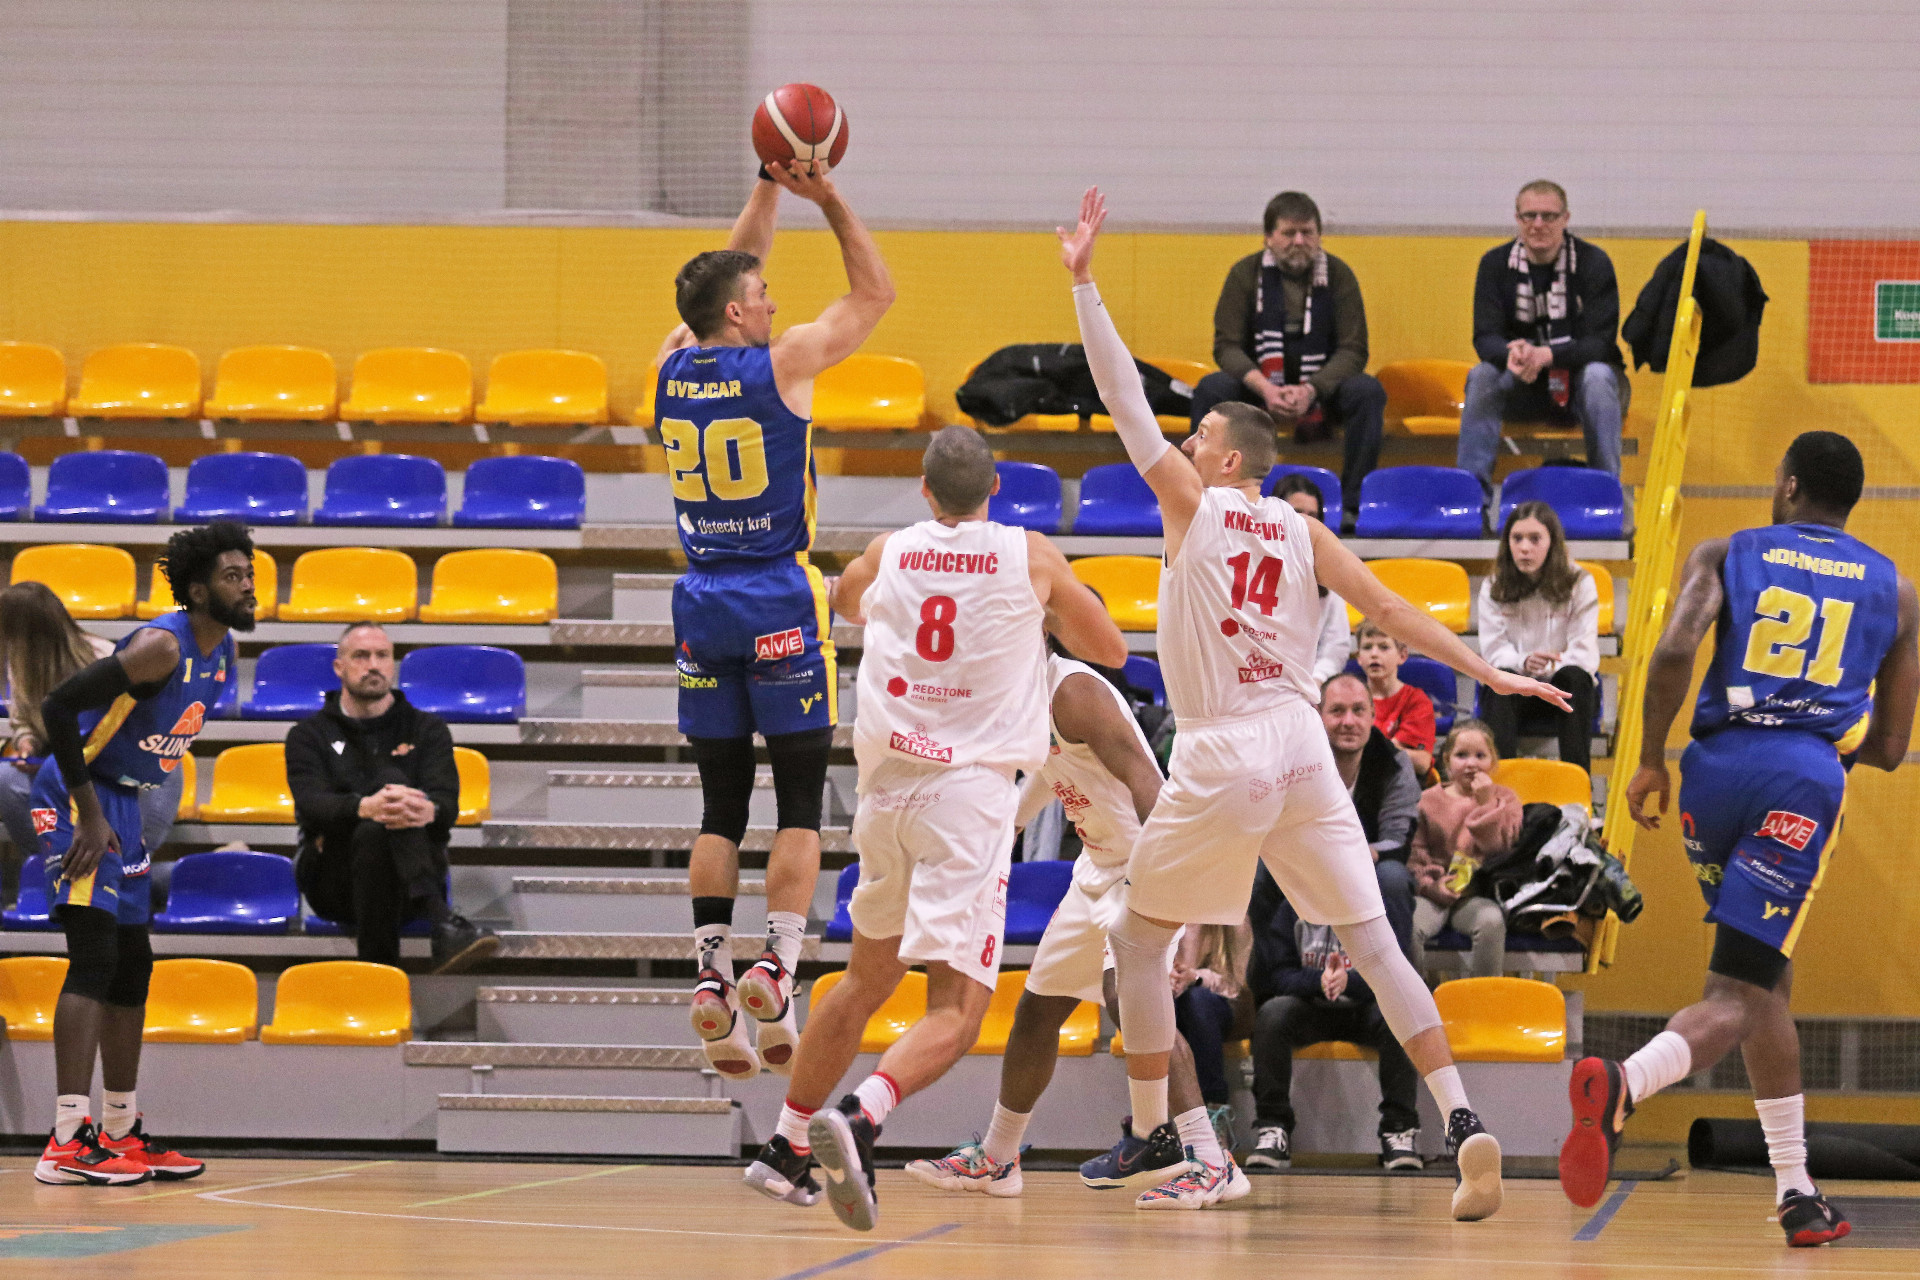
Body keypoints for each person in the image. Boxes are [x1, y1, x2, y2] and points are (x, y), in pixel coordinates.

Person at [1062, 186, 1568, 1217]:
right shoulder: (1304, 530)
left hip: (1223, 749)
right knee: (1376, 943)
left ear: (1228, 458)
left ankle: (1174, 1137)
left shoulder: (1196, 506)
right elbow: (1393, 608)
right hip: (1300, 745)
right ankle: (1462, 1117)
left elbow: (1120, 400)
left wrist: (1084, 286)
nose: (1185, 442)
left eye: (1200, 434)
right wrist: (1489, 672)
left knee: (1137, 940)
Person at [750, 426, 1125, 1232]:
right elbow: (1110, 649)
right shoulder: (1029, 555)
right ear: (996, 490)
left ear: (924, 490)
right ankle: (862, 1116)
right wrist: (1033, 617)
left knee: (864, 981)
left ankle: (784, 1145)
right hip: (968, 796)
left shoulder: (890, 550)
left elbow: (844, 603)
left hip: (887, 791)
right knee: (957, 1012)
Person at [1561, 432, 1919, 1248]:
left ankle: (1795, 1189)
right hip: (1799, 783)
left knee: (1765, 981)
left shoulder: (1728, 551)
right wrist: (1830, 729)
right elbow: (1894, 747)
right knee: (1739, 992)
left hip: (1712, 773)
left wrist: (1650, 759)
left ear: (1788, 486)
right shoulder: (1895, 591)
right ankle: (1626, 1082)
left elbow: (1674, 650)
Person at [656, 158, 895, 1081]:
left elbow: (728, 265)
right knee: (798, 803)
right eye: (760, 295)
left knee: (720, 805)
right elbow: (874, 293)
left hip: (701, 600)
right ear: (736, 314)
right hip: (778, 598)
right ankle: (778, 968)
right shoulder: (784, 364)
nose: (770, 301)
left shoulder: (670, 366)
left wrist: (764, 186)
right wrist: (825, 196)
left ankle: (711, 972)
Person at [899, 649, 1244, 1201]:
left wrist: (1175, 882)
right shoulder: (1017, 694)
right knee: (1037, 1011)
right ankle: (998, 1158)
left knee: (1130, 1003)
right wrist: (1008, 827)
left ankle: (1208, 1157)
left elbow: (1145, 778)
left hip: (1141, 864)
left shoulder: (1075, 692)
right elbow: (1047, 766)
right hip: (1095, 870)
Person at [29, 522, 256, 1187]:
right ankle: (65, 1141)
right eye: (233, 576)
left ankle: (119, 1130)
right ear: (198, 590)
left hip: (124, 800)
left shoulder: (223, 648)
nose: (248, 585)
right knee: (95, 958)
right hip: (79, 796)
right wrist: (90, 813)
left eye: (249, 573)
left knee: (133, 965)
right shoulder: (161, 646)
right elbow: (58, 706)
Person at [286, 623, 494, 974]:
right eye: (361, 656)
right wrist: (363, 807)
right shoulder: (308, 735)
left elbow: (447, 805)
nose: (373, 665)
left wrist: (429, 810)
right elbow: (312, 805)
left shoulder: (427, 729)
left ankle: (377, 975)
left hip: (404, 887)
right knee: (388, 790)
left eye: (382, 656)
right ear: (339, 667)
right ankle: (440, 918)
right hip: (335, 883)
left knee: (378, 822)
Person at [1191, 192, 1385, 532]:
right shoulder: (1244, 274)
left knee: (1368, 392)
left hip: (1321, 391)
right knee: (1212, 389)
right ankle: (1205, 499)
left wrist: (1312, 389)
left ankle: (1353, 504)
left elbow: (1353, 349)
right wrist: (1265, 388)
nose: (1299, 241)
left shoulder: (1339, 275)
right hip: (1259, 391)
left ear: (1319, 235)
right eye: (1289, 233)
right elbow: (1227, 346)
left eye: (1307, 232)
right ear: (1268, 237)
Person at [1, 584, 184, 904]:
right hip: (72, 773)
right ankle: (53, 867)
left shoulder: (105, 659)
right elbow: (23, 720)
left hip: (133, 773)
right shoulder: (20, 664)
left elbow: (138, 734)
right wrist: (27, 743)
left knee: (117, 872)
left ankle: (199, 873)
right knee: (6, 779)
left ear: (22, 633)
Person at [1247, 868, 1424, 1173]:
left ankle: (1398, 1129)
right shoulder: (1292, 908)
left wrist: (1349, 982)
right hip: (1312, 1007)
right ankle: (1273, 1127)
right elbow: (1278, 975)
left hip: (1364, 1007)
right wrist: (1318, 981)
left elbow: (1396, 973)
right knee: (1271, 1015)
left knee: (1399, 1015)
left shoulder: (1375, 911)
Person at [1458, 180, 1627, 495]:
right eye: (1529, 215)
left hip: (1581, 386)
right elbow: (1485, 337)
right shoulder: (1494, 264)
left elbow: (1600, 343)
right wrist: (1515, 354)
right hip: (1524, 382)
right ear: (1518, 219)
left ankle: (1605, 496)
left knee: (1598, 375)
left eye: (1548, 216)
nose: (1538, 224)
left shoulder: (1594, 262)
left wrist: (1547, 355)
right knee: (1481, 376)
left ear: (1566, 219)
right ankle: (1472, 499)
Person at [1478, 501, 1601, 771]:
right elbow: (1493, 650)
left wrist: (1549, 666)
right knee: (1499, 680)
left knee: (1576, 677)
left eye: (1535, 539)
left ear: (1552, 543)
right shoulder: (1492, 585)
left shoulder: (1580, 582)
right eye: (1517, 538)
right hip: (1516, 691)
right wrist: (1523, 662)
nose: (1524, 548)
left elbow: (1584, 653)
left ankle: (1578, 785)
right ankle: (1500, 784)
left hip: (1562, 690)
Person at [1409, 721, 1523, 978]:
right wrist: (1432, 885)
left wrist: (1486, 804)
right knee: (1408, 923)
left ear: (1493, 761)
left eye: (1480, 756)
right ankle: (1418, 998)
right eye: (1462, 755)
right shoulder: (1426, 801)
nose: (1471, 763)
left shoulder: (1506, 800)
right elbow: (1415, 856)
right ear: (1447, 760)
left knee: (1491, 921)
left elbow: (1500, 848)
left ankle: (1482, 998)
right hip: (1432, 894)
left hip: (1477, 895)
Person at [1272, 474, 1354, 682]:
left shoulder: (1328, 577)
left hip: (1307, 687)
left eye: (1313, 516)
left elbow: (1336, 648)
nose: (1306, 523)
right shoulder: (1248, 568)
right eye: (1297, 513)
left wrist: (1316, 681)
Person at [1355, 621, 1436, 778]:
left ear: (1402, 655)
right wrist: (1392, 748)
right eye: (1367, 647)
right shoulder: (1350, 700)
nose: (1374, 654)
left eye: (1384, 647)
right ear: (1359, 657)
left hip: (1401, 781)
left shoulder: (1416, 701)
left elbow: (1421, 763)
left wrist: (1362, 749)